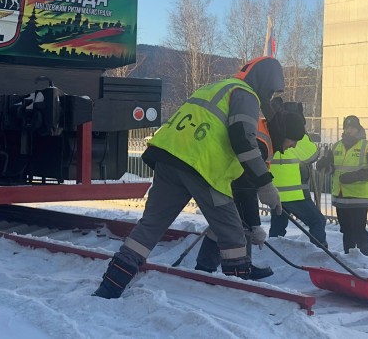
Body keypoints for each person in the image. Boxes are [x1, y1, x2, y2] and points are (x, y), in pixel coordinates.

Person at [93, 57, 286, 299]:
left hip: (169, 159)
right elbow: (243, 140)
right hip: (202, 167)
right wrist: (265, 184)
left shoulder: (216, 87)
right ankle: (240, 294)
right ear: (265, 82)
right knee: (233, 234)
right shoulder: (246, 95)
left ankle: (109, 287)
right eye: (272, 90)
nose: (270, 96)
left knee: (150, 227)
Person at [194, 108, 307, 280]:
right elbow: (245, 189)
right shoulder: (260, 142)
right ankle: (232, 269)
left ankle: (213, 267)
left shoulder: (265, 134)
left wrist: (253, 223)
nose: (294, 145)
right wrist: (255, 225)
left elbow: (248, 185)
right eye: (293, 140)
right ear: (285, 134)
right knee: (231, 223)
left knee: (234, 221)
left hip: (222, 176)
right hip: (215, 176)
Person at [315, 115, 368, 256]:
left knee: (359, 231)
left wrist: (357, 176)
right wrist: (322, 166)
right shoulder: (336, 146)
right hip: (340, 198)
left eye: (352, 127)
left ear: (358, 129)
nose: (349, 130)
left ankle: (364, 259)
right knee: (346, 232)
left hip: (358, 198)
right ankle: (349, 258)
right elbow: (331, 170)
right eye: (346, 127)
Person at [267, 101, 327, 248]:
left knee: (278, 227)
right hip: (294, 193)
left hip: (274, 191)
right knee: (317, 221)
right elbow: (313, 155)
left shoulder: (272, 131)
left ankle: (273, 252)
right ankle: (320, 252)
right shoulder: (295, 133)